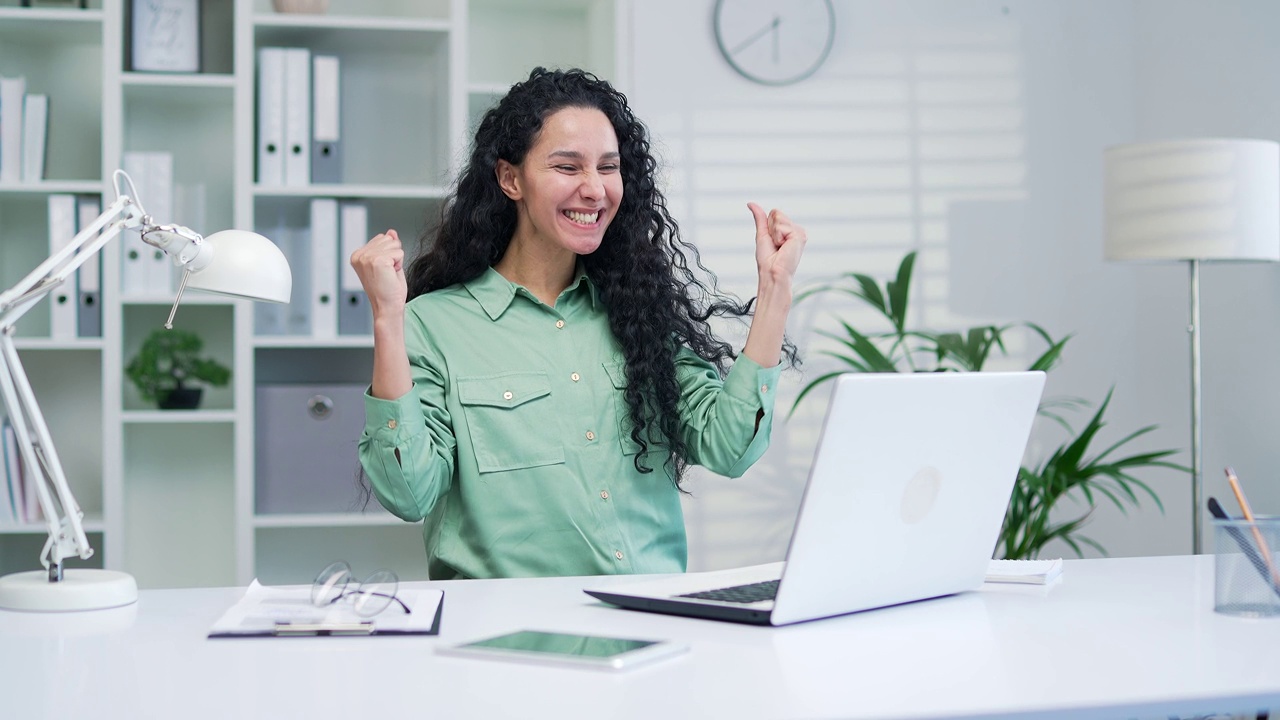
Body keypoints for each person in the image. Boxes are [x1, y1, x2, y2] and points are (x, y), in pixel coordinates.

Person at [351, 67, 807, 580]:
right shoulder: (434, 324)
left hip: (650, 629)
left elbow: (729, 447)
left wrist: (774, 292)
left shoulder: (640, 314)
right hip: (509, 641)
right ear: (510, 178)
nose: (594, 189)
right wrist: (388, 318)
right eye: (568, 167)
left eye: (608, 167)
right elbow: (409, 492)